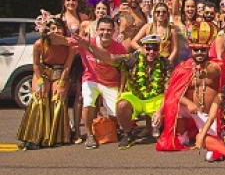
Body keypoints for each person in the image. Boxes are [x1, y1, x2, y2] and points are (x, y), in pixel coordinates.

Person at [77, 33, 172, 149]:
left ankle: (165, 131)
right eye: (148, 48)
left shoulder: (165, 63)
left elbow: (169, 91)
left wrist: (159, 111)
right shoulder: (132, 59)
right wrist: (89, 47)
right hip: (135, 97)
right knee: (121, 105)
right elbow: (109, 58)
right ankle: (128, 134)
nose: (151, 52)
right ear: (142, 48)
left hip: (156, 99)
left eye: (155, 49)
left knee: (172, 106)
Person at [156, 21, 222, 151]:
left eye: (203, 50)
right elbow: (172, 93)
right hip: (192, 111)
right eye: (196, 49)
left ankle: (202, 134)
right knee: (175, 104)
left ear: (208, 50)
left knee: (207, 141)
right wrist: (160, 111)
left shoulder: (215, 68)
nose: (199, 53)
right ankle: (183, 134)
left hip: (209, 114)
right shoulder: (182, 68)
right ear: (191, 50)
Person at [17, 16, 76, 150]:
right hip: (43, 72)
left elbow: (67, 66)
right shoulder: (39, 44)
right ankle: (33, 136)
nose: (56, 31)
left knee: (58, 98)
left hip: (60, 72)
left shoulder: (70, 45)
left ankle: (58, 136)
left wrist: (61, 83)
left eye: (59, 28)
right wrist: (40, 82)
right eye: (53, 28)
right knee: (39, 97)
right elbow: (36, 65)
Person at [75, 16, 127, 149]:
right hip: (91, 79)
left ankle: (113, 129)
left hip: (110, 82)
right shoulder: (86, 42)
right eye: (102, 29)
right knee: (88, 102)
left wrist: (121, 90)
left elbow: (123, 72)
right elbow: (64, 41)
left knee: (117, 111)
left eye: (109, 30)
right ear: (96, 30)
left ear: (114, 31)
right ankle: (89, 135)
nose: (106, 33)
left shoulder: (119, 48)